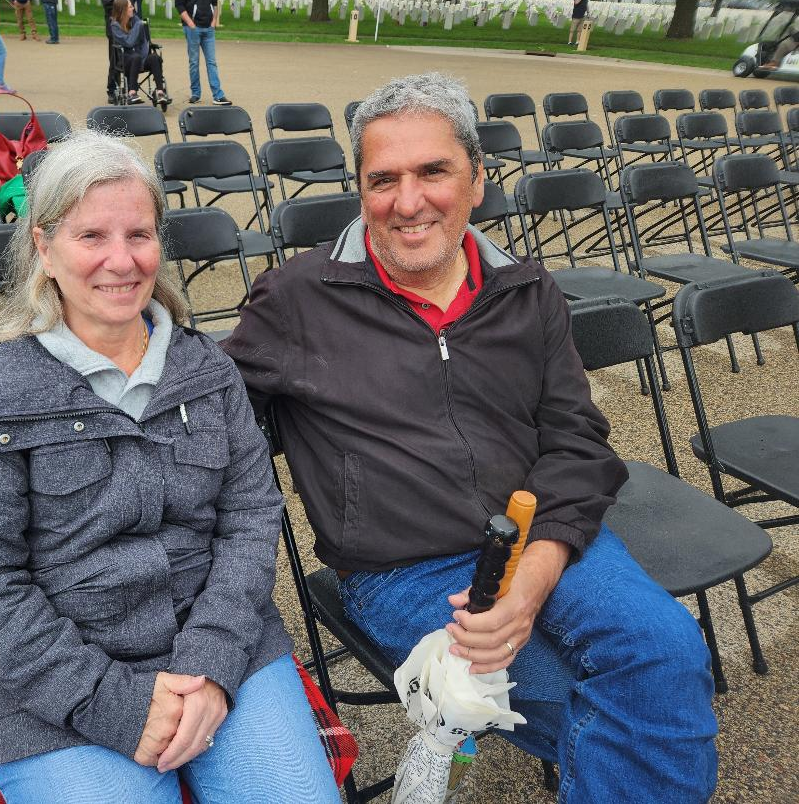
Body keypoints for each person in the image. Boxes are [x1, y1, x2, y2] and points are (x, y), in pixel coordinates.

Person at [224, 73, 719, 803]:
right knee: (604, 708)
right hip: (401, 570)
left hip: (542, 534)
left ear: (478, 180)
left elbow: (579, 441)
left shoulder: (525, 288)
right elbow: (200, 413)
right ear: (360, 189)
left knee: (669, 654)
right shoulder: (297, 299)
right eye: (382, 178)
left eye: (433, 171)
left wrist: (532, 577)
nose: (408, 200)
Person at [0, 131, 342, 804]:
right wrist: (107, 701)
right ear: (44, 248)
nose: (121, 260)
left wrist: (209, 666)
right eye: (92, 237)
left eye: (139, 235)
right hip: (58, 682)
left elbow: (250, 519)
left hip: (219, 644)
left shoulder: (209, 371)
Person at [109, 0, 166, 106]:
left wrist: (144, 58)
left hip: (141, 57)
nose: (133, 9)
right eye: (130, 7)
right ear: (123, 10)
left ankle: (160, 92)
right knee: (136, 57)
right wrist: (138, 26)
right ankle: (132, 92)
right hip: (125, 60)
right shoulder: (115, 25)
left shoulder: (135, 20)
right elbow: (129, 42)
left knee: (155, 57)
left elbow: (144, 43)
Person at [174, 0, 229, 106]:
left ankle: (218, 95)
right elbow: (179, 5)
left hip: (209, 28)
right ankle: (196, 93)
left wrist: (214, 21)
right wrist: (191, 24)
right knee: (194, 62)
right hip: (192, 27)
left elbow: (214, 1)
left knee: (212, 62)